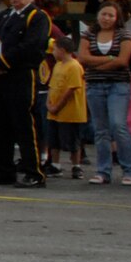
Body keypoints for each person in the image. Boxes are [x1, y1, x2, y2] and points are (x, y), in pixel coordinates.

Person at [0, 0, 53, 187]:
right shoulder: (3, 16)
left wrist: (2, 61)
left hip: (21, 75)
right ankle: (4, 169)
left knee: (23, 123)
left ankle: (34, 171)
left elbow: (32, 46)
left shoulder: (37, 17)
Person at [78, 2, 131, 186]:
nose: (106, 18)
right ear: (98, 15)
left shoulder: (124, 35)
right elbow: (82, 57)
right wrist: (109, 59)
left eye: (111, 15)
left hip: (118, 85)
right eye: (104, 14)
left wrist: (97, 65)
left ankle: (130, 169)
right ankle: (103, 171)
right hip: (94, 86)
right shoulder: (88, 34)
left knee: (118, 125)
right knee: (100, 129)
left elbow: (122, 61)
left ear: (117, 18)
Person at [45, 38, 87, 179]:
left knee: (73, 140)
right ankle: (56, 165)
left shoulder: (74, 66)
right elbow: (51, 85)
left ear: (62, 50)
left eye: (55, 49)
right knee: (54, 139)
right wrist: (49, 103)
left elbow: (71, 89)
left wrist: (57, 105)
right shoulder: (58, 65)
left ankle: (76, 166)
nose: (54, 53)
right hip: (54, 111)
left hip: (70, 112)